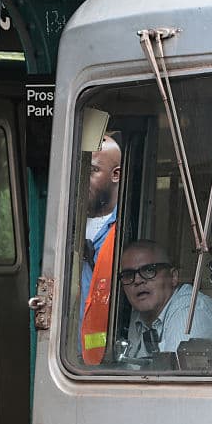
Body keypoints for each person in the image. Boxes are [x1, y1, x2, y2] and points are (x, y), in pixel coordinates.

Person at [118, 240, 212, 362]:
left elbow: (175, 372)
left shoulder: (189, 311)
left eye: (149, 270)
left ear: (173, 277)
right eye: (128, 275)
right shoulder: (137, 317)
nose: (137, 280)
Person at [80, 134, 121, 364]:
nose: (82, 179)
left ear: (116, 175)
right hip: (64, 352)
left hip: (102, 361)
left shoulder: (125, 227)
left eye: (92, 171)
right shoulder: (65, 222)